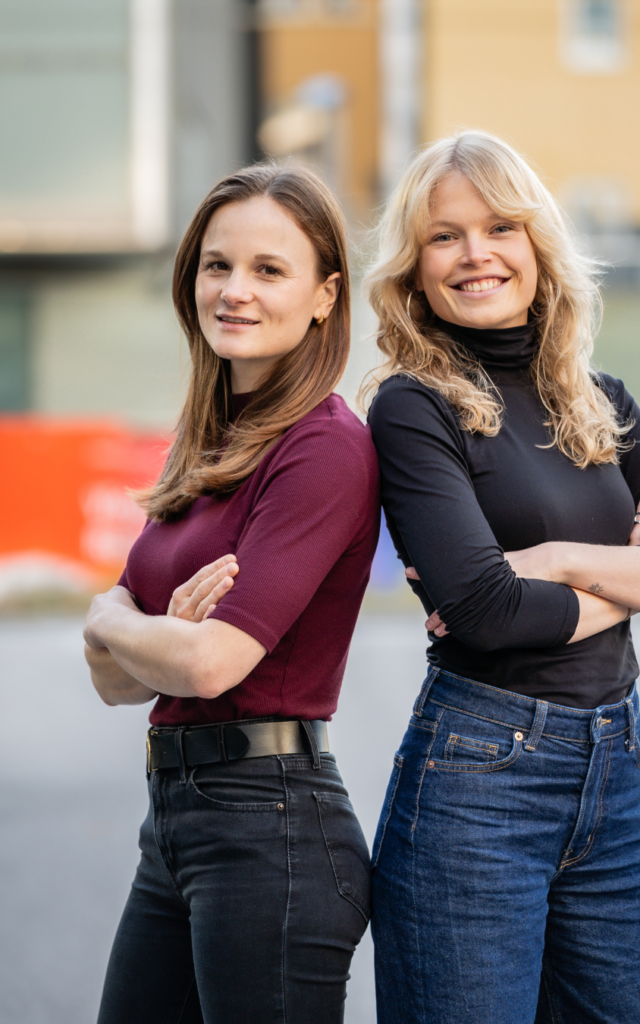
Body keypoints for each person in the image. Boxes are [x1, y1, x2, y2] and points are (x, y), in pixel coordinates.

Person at [363, 130, 640, 1024]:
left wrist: (564, 564)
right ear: (414, 269)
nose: (475, 254)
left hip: (613, 778)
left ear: (537, 243)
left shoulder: (598, 398)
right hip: (476, 790)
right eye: (443, 236)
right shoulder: (414, 406)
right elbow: (488, 611)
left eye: (498, 226)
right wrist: (637, 569)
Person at [83, 162, 379, 1024]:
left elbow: (208, 663)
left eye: (268, 269)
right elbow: (114, 682)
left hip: (270, 832)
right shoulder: (209, 445)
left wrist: (112, 615)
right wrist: (150, 642)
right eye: (217, 265)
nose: (234, 290)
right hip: (175, 826)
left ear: (325, 295)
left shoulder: (322, 449)